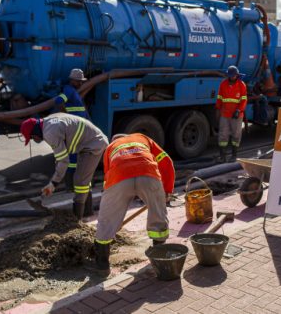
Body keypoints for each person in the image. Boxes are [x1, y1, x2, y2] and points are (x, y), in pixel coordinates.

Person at [92, 133, 174, 273]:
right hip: (148, 173)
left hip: (119, 176)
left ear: (114, 141)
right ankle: (159, 254)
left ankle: (102, 264)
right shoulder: (142, 138)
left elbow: (108, 175)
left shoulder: (110, 147)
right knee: (158, 214)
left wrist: (111, 201)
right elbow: (166, 161)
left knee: (107, 221)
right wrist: (166, 191)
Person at [20, 113, 108, 220]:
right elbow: (60, 157)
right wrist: (54, 181)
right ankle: (87, 211)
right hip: (88, 142)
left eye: (32, 137)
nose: (35, 140)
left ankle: (77, 218)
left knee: (80, 180)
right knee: (83, 177)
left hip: (93, 145)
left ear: (35, 132)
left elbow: (63, 161)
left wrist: (53, 183)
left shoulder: (50, 133)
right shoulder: (48, 122)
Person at [55, 69, 90, 191]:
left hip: (78, 128)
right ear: (73, 81)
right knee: (73, 158)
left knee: (76, 156)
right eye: (79, 81)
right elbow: (59, 101)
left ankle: (72, 184)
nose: (81, 83)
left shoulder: (73, 91)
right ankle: (70, 185)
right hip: (74, 129)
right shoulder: (68, 90)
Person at [215, 65, 247, 162]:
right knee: (223, 135)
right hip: (225, 114)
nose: (232, 77)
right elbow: (219, 98)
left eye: (234, 75)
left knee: (236, 135)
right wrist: (217, 110)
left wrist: (238, 110)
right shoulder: (223, 84)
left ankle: (234, 156)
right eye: (230, 75)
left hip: (236, 115)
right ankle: (223, 157)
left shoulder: (241, 85)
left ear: (237, 75)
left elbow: (244, 100)